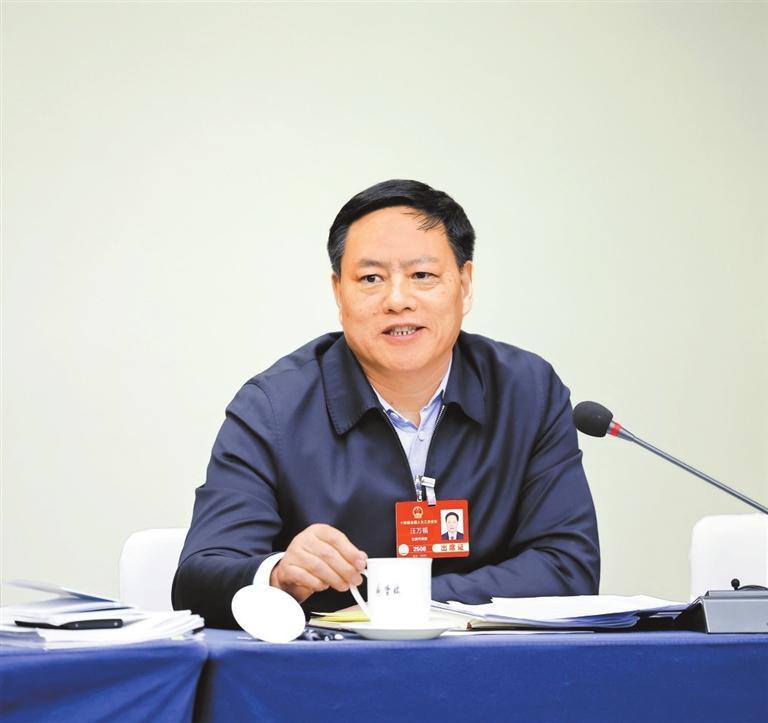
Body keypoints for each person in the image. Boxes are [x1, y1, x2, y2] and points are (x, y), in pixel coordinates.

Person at [173, 179, 600, 628]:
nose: (397, 300)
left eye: (422, 276)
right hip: (335, 665)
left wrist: (395, 598)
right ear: (339, 292)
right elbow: (199, 578)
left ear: (464, 284)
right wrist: (278, 576)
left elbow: (568, 567)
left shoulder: (527, 392)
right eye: (371, 279)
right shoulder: (274, 408)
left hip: (492, 662)